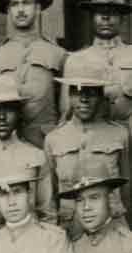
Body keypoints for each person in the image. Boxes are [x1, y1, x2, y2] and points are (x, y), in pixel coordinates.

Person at [47, 57, 132, 236]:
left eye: (91, 92)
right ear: (69, 96)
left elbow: (127, 190)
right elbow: (51, 196)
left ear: (101, 96)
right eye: (77, 92)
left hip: (113, 227)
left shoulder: (119, 135)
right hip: (70, 230)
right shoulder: (54, 139)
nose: (84, 99)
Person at [0, 73, 56, 229]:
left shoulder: (36, 156)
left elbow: (48, 214)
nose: (1, 117)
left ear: (19, 113)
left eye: (8, 109)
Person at [0, 0, 66, 148]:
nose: (21, 10)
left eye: (26, 3)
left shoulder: (58, 54)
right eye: (14, 4)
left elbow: (66, 109)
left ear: (38, 8)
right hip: (7, 143)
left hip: (45, 142)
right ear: (8, 11)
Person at [68, 0, 132, 121]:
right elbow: (67, 113)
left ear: (122, 18)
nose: (105, 17)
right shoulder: (75, 60)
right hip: (94, 139)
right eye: (99, 12)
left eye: (113, 12)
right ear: (92, 17)